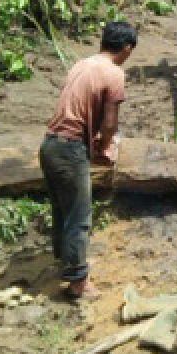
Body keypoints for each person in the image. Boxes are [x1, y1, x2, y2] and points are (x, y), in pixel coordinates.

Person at [39, 21, 136, 300]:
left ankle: (65, 264)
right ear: (127, 48)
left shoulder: (82, 64)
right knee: (80, 217)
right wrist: (105, 148)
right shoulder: (114, 74)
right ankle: (78, 284)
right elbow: (109, 123)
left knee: (62, 210)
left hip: (50, 144)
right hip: (70, 150)